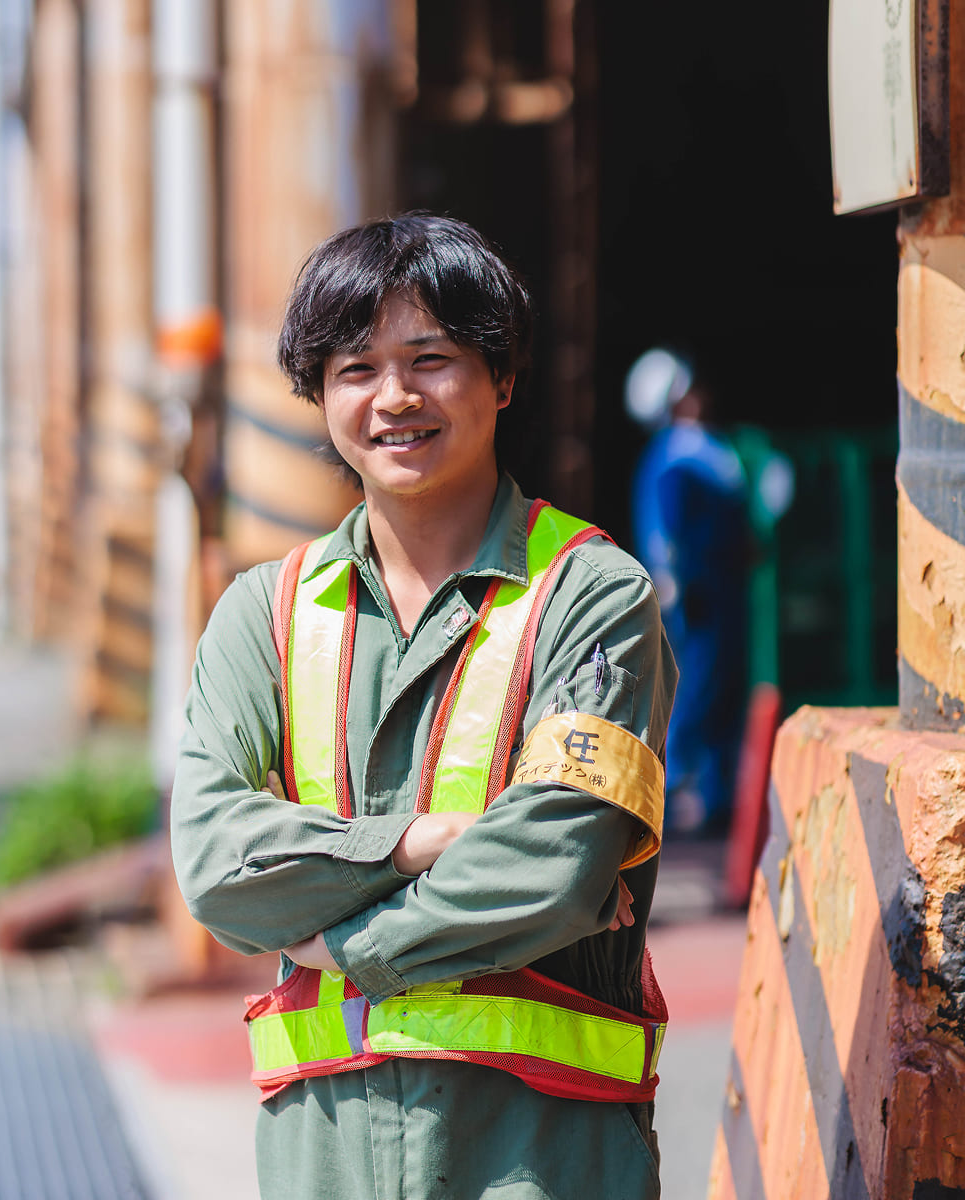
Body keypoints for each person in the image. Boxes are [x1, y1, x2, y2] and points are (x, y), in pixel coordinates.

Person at [171, 213, 677, 1200]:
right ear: (318, 396)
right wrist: (418, 843)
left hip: (541, 1156)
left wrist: (341, 946)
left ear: (503, 379)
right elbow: (214, 859)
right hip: (326, 1161)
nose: (394, 397)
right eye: (354, 367)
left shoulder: (591, 596)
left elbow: (556, 861)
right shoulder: (263, 617)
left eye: (431, 358)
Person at [624, 348, 749, 837]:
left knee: (718, 690)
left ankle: (714, 795)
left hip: (718, 594)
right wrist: (673, 584)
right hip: (699, 602)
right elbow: (665, 534)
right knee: (696, 690)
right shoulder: (677, 458)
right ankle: (668, 791)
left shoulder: (696, 451)